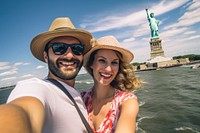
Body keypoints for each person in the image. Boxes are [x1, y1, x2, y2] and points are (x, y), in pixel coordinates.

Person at [0, 17, 93, 133]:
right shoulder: (38, 88)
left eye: (77, 49)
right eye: (59, 48)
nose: (70, 55)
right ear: (46, 56)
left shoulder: (78, 95)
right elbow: (22, 111)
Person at [81, 36, 141, 133]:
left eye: (114, 63)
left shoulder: (127, 101)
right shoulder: (81, 99)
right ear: (91, 64)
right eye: (102, 60)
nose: (108, 69)